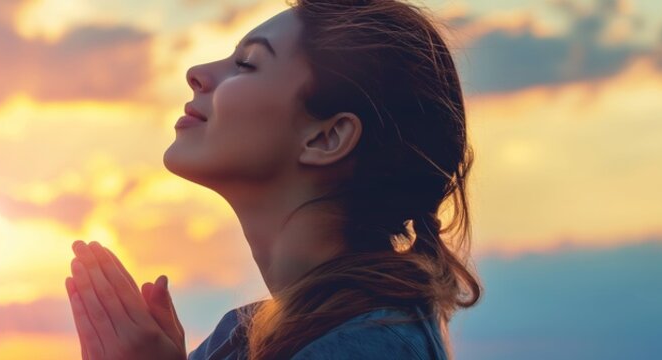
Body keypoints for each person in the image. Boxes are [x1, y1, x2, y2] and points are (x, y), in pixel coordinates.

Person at [64, 0, 482, 358]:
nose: (196, 72)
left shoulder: (367, 347)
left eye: (246, 64)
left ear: (326, 137)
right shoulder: (245, 337)